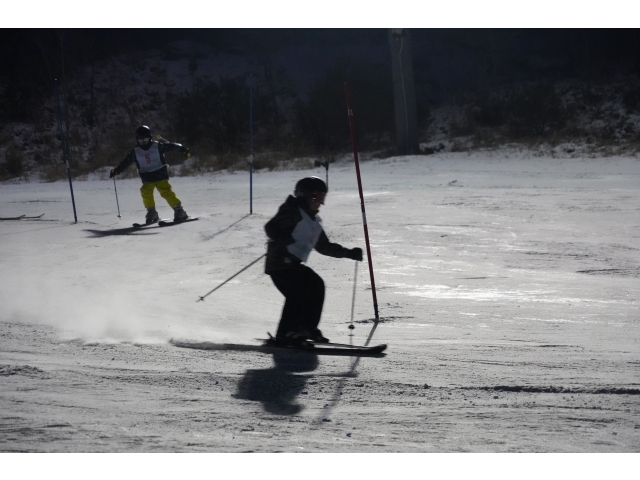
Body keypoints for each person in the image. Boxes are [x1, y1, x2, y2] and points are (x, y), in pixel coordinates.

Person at [264, 176, 363, 347]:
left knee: (316, 284)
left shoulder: (313, 222)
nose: (319, 202)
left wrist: (349, 253)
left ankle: (305, 328)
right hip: (279, 264)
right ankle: (285, 333)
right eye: (316, 197)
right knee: (297, 293)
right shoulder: (292, 210)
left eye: (322, 197)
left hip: (293, 265)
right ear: (303, 195)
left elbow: (324, 246)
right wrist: (282, 237)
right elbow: (270, 227)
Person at [109, 125, 191, 224]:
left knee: (165, 191)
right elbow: (125, 162)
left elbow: (172, 146)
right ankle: (152, 212)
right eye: (140, 141)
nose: (143, 142)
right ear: (137, 140)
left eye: (145, 140)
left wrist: (183, 149)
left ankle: (179, 211)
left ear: (150, 138)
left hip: (160, 173)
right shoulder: (135, 151)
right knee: (145, 191)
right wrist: (117, 170)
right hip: (147, 176)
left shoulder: (157, 146)